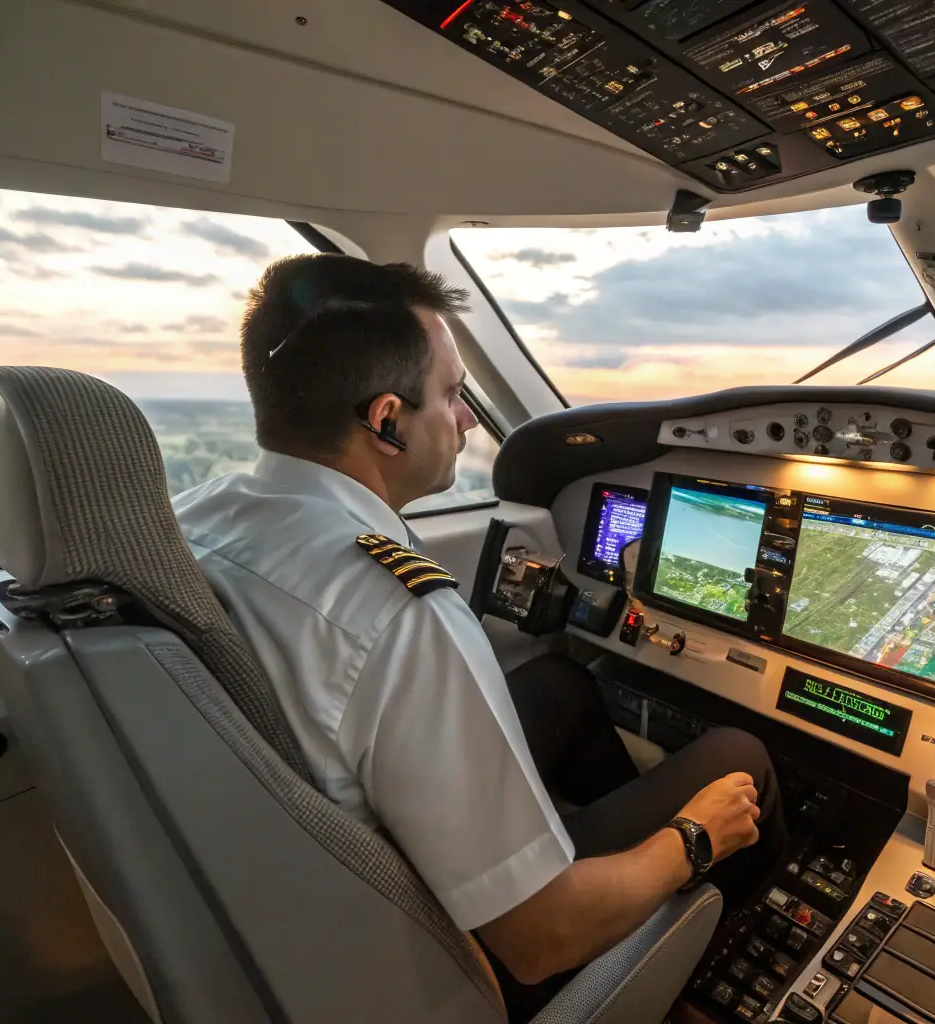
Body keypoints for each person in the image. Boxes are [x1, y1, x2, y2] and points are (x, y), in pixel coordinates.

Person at [173, 253, 785, 1020]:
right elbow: (541, 938)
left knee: (559, 685)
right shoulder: (398, 614)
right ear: (386, 419)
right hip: (454, 953)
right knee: (739, 759)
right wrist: (692, 840)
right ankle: (725, 980)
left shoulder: (201, 514)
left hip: (291, 880)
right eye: (454, 396)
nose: (466, 420)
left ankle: (566, 841)